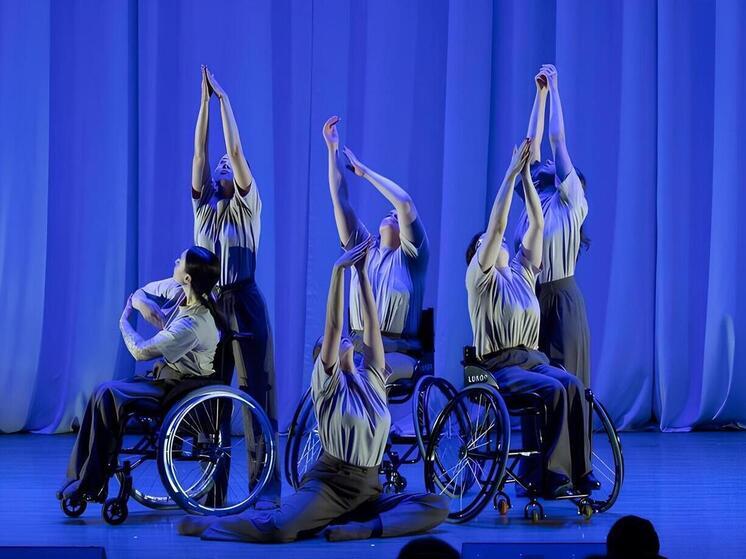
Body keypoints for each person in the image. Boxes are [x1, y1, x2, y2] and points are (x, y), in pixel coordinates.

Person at [177, 240, 449, 542]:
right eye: (325, 346)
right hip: (331, 484)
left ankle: (364, 528)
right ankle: (214, 523)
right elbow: (333, 325)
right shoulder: (328, 385)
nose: (337, 339)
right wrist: (338, 272)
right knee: (280, 528)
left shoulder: (372, 378)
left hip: (369, 489)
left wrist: (361, 274)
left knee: (437, 505)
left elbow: (371, 323)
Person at [465, 138, 597, 497]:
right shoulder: (481, 280)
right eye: (484, 243)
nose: (495, 241)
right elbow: (496, 227)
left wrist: (526, 174)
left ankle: (580, 472)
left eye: (496, 240)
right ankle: (552, 475)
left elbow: (537, 224)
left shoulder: (523, 274)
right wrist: (510, 175)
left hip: (533, 359)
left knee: (572, 384)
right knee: (553, 389)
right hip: (501, 365)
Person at [57, 247, 222, 503]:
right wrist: (141, 302)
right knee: (101, 392)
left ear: (188, 277)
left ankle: (91, 482)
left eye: (180, 260)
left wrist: (124, 322)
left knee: (108, 393)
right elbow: (143, 291)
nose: (175, 261)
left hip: (180, 388)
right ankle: (80, 478)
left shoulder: (193, 324)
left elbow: (141, 352)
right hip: (164, 377)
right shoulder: (180, 291)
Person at [191, 66, 279, 505]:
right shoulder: (204, 209)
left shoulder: (248, 207)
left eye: (229, 165)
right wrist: (203, 105)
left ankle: (263, 492)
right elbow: (199, 154)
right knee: (212, 399)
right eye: (220, 165)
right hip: (211, 306)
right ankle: (213, 491)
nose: (223, 164)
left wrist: (225, 101)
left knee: (255, 393)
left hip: (243, 301)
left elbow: (236, 150)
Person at [322, 116, 429, 381]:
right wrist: (332, 150)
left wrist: (365, 173)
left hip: (398, 350)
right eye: (388, 213)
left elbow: (404, 203)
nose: (392, 214)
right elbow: (340, 200)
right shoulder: (364, 247)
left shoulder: (413, 259)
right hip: (358, 346)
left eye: (397, 217)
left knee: (367, 372)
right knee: (325, 359)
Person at [514, 64, 591, 387]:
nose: (546, 161)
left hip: (560, 300)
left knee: (564, 380)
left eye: (554, 166)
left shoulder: (571, 203)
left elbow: (557, 141)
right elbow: (530, 145)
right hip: (529, 299)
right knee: (536, 385)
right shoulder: (534, 200)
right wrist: (540, 95)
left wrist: (556, 90)